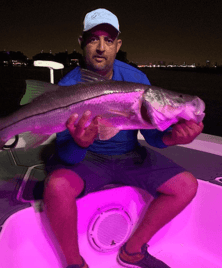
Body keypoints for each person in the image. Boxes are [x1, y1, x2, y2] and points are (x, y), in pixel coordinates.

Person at [42, 8, 204, 268]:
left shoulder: (137, 79)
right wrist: (79, 143)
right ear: (81, 43)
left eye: (108, 40)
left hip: (131, 156)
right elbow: (66, 154)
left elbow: (153, 136)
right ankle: (75, 263)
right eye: (94, 39)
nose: (101, 48)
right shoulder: (67, 88)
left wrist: (173, 137)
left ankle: (133, 251)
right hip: (89, 160)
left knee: (186, 185)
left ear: (118, 45)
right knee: (56, 187)